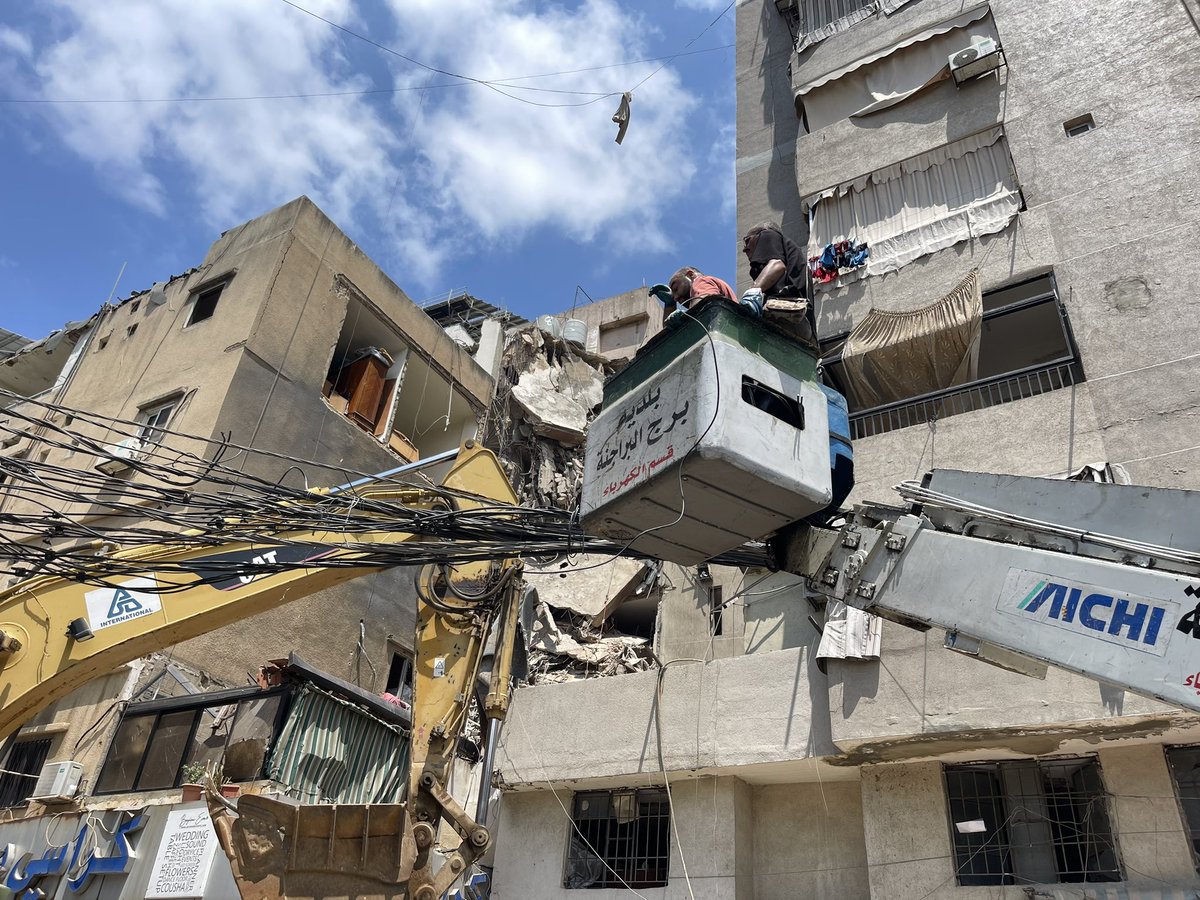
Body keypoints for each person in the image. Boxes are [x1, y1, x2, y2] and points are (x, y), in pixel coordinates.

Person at [739, 222, 810, 329]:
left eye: (747, 240)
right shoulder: (789, 253)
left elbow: (777, 265)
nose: (745, 249)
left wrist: (752, 291)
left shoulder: (767, 234)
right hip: (800, 322)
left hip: (787, 314)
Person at [648, 266, 735, 320]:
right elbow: (668, 335)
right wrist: (670, 305)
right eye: (673, 296)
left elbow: (702, 306)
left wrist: (683, 319)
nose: (675, 298)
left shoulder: (700, 281)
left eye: (676, 288)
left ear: (690, 275)